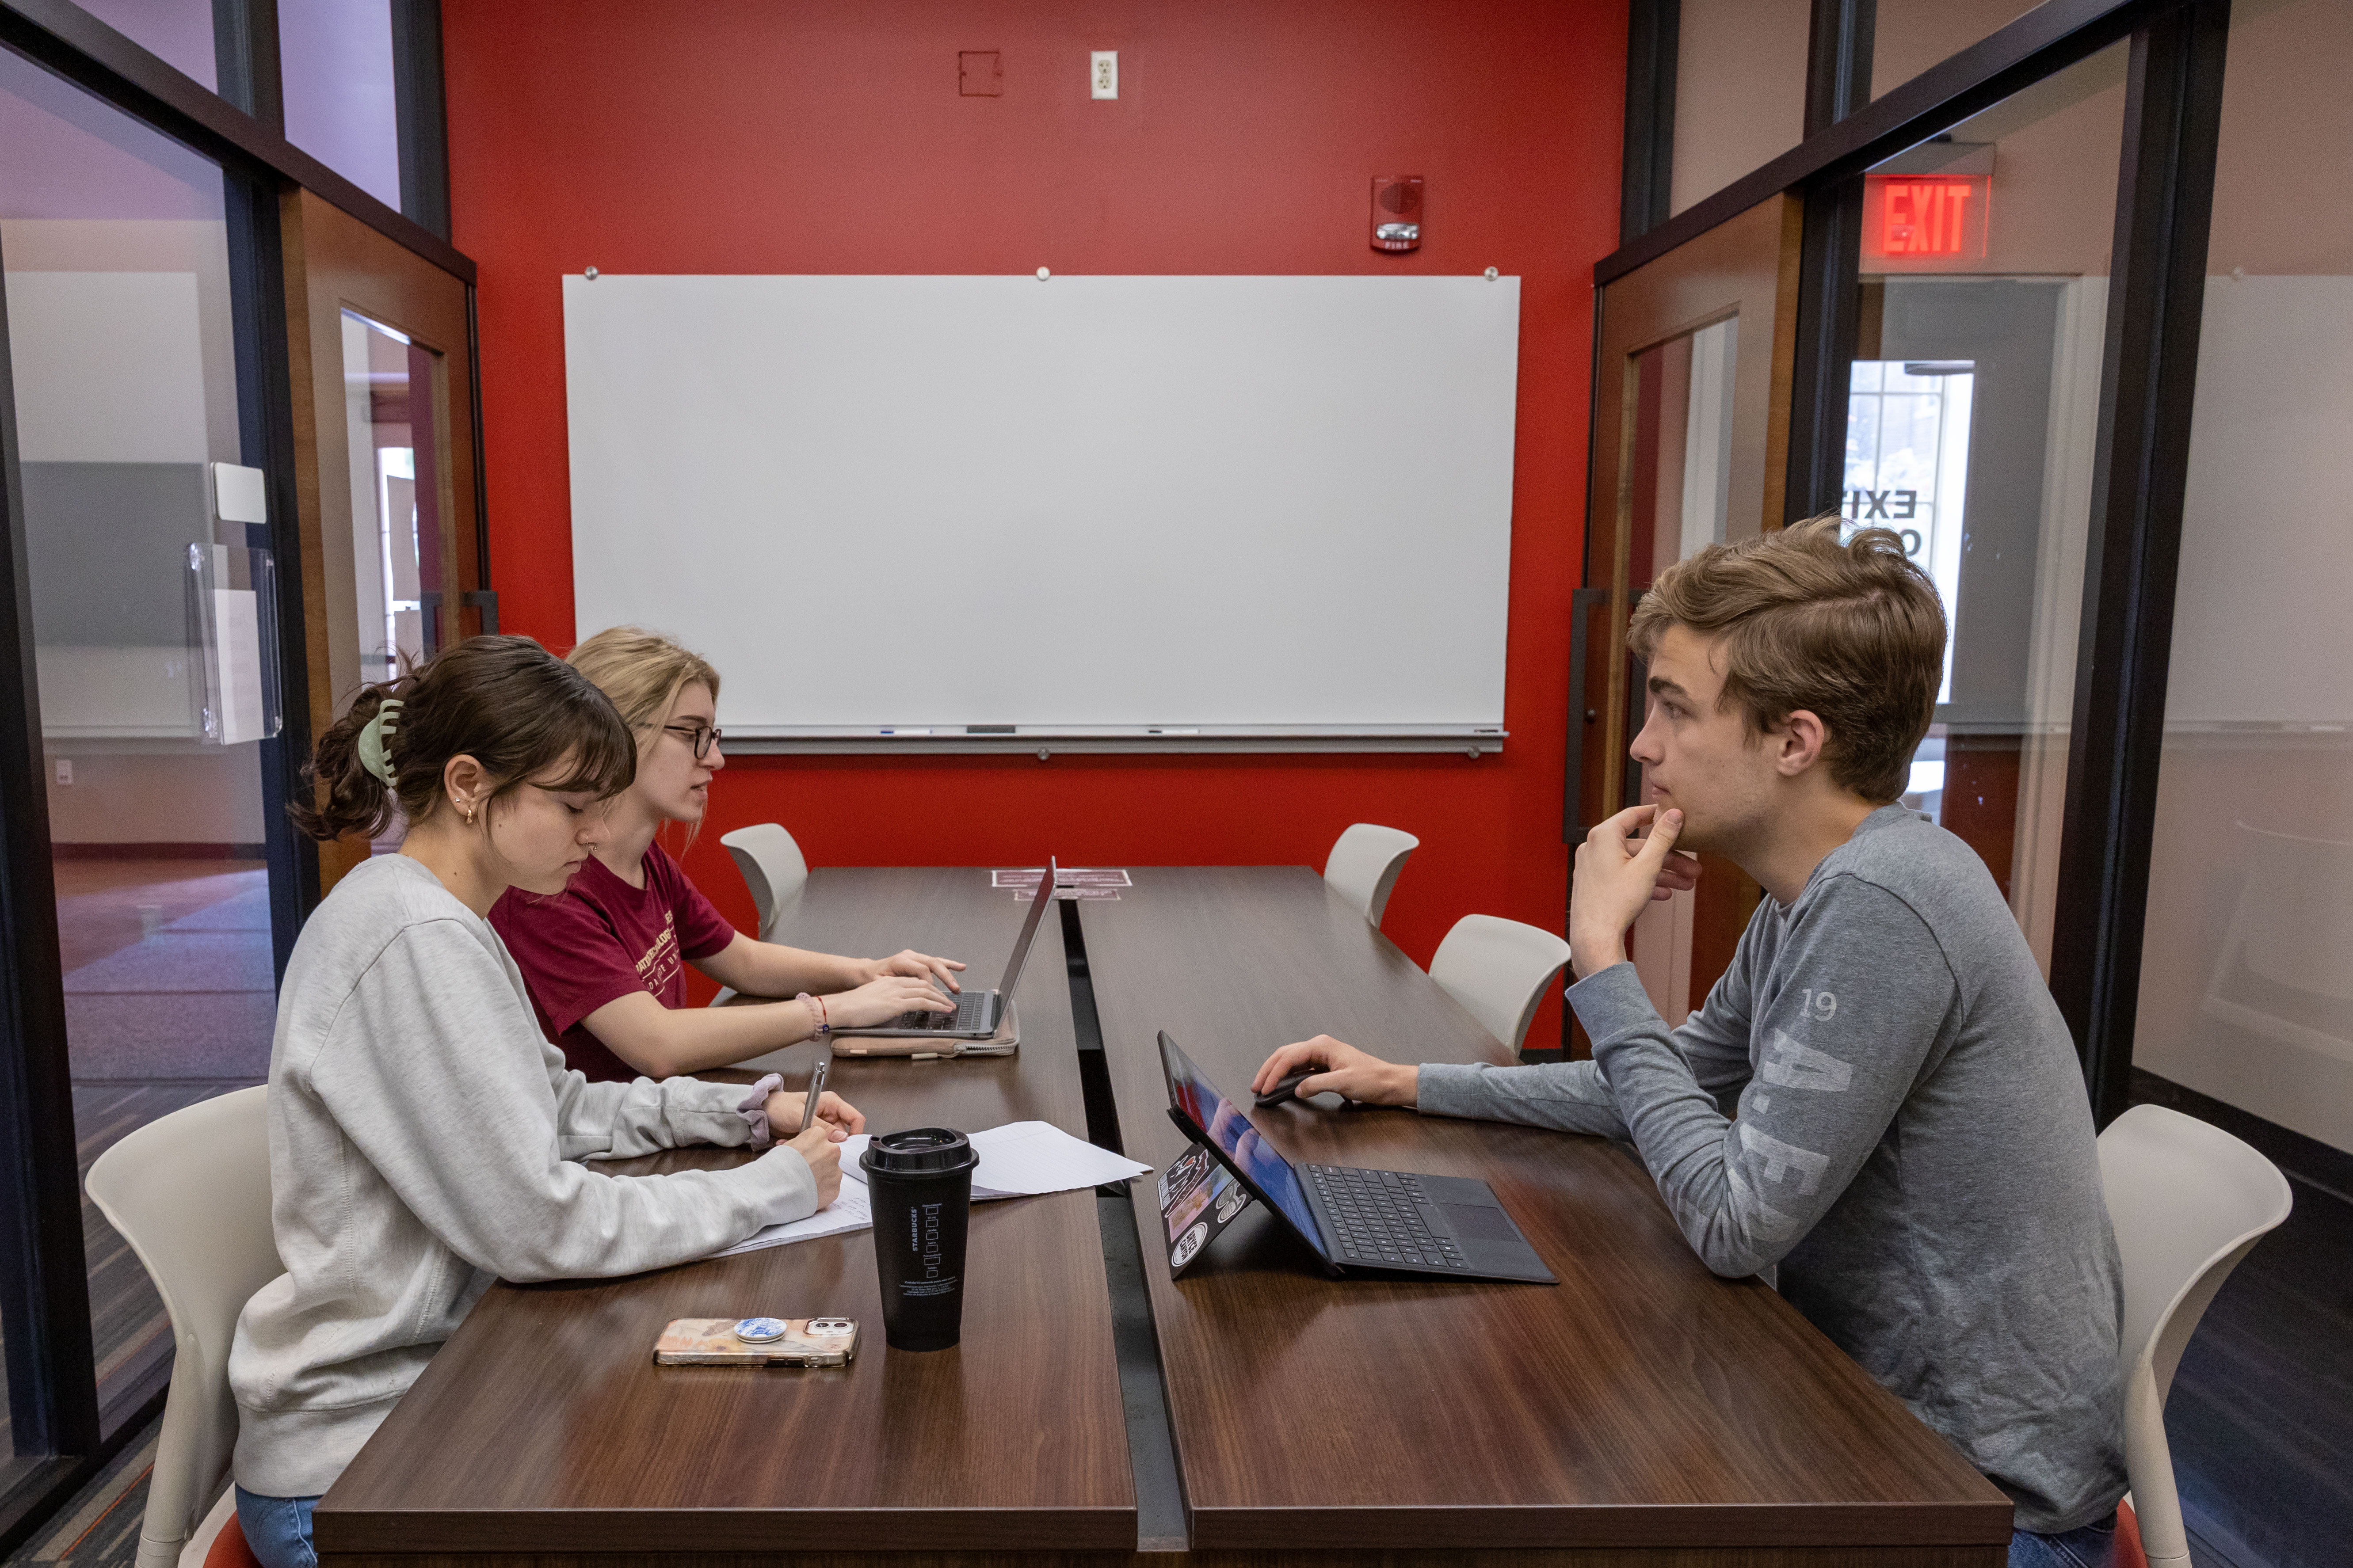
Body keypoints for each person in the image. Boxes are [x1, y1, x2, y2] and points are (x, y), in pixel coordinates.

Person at [1253, 520, 2128, 1567]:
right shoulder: (1824, 888)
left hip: (1966, 1500)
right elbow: (1669, 1080)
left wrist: (1599, 954)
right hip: (1861, 1424)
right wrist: (1408, 1082)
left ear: (1793, 741)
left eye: (1674, 707)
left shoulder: (1884, 904)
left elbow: (1730, 1221)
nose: (1641, 744)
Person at [229, 636, 864, 1568]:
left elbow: (556, 1105)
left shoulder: (446, 918)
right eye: (572, 807)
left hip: (448, 1401)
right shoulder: (414, 940)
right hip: (363, 1464)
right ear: (468, 785)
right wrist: (769, 1188)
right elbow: (540, 1224)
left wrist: (734, 1114)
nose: (595, 835)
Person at [490, 626, 964, 1081]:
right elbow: (658, 1045)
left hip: (662, 1117)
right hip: (615, 1151)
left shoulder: (644, 860)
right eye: (692, 733)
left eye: (713, 735)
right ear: (615, 731)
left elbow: (740, 960)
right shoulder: (546, 888)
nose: (715, 758)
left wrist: (866, 971)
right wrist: (830, 1010)